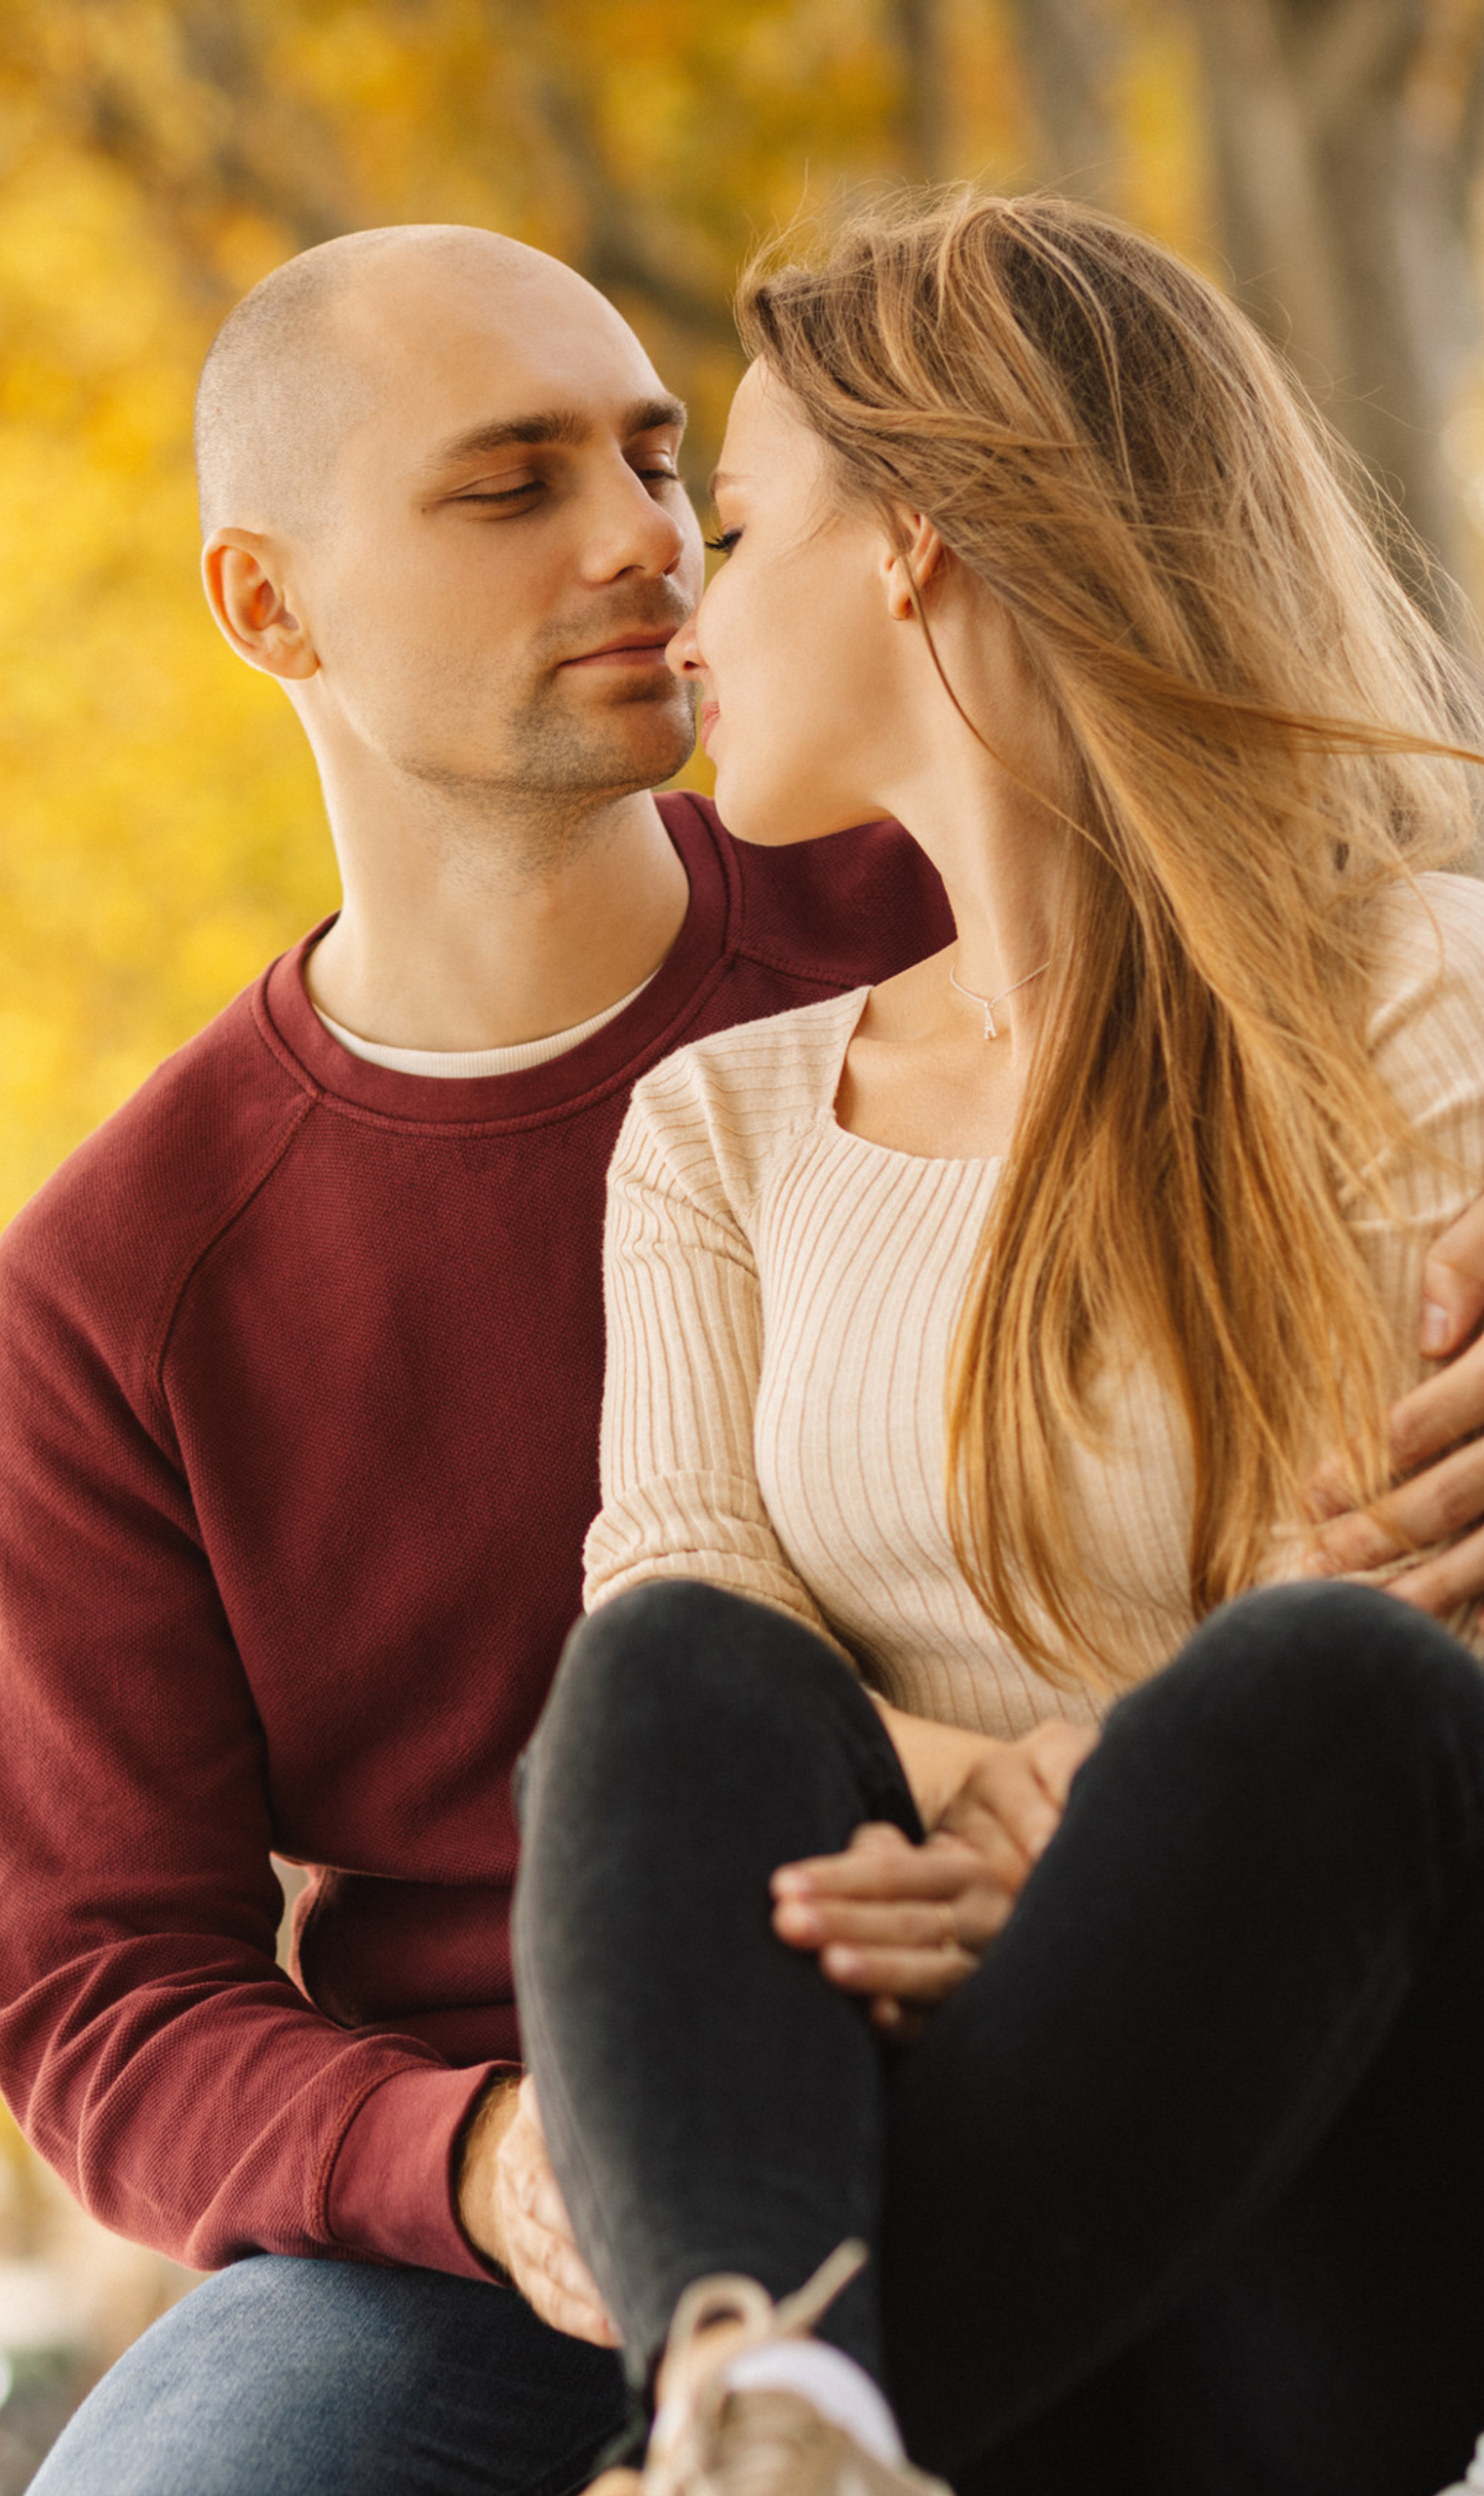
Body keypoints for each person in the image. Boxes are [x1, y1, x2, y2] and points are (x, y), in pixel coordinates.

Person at [0, 220, 1484, 2496]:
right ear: (266, 604)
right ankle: (756, 2408)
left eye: (671, 469)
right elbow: (95, 1986)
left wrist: (1074, 1821)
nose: (642, 544)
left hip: (1162, 2002)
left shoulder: (955, 878)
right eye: (510, 486)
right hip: (521, 2184)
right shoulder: (124, 1275)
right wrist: (475, 2158)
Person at [511, 190, 1484, 2496]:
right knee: (648, 1679)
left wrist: (1090, 1810)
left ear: (919, 538)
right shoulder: (713, 1127)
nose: (678, 594)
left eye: (736, 524)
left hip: (1315, 2189)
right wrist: (1011, 1808)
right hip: (877, 2095)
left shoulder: (1418, 998)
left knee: (1328, 1690)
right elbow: (694, 1642)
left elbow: (1389, 1599)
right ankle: (775, 2417)